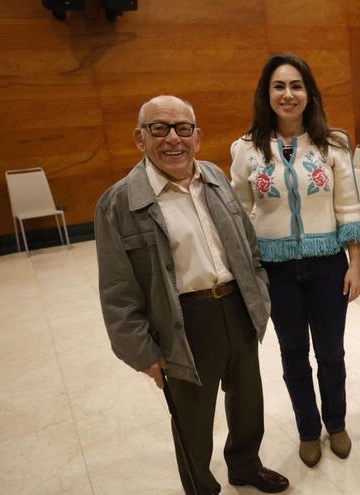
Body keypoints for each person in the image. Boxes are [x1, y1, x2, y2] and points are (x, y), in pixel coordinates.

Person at [95, 95, 289, 493]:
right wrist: (142, 353)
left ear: (197, 137)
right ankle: (201, 486)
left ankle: (245, 465)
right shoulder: (119, 203)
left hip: (236, 307)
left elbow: (248, 248)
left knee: (248, 401)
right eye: (159, 128)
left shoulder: (215, 178)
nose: (173, 139)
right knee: (192, 419)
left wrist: (260, 294)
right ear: (140, 137)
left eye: (183, 128)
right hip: (183, 320)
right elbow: (117, 290)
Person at [230, 54, 360, 468]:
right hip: (276, 271)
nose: (288, 94)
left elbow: (348, 205)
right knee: (293, 353)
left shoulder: (333, 144)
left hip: (328, 265)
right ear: (267, 93)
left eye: (296, 86)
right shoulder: (245, 149)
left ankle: (337, 422)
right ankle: (308, 430)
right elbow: (238, 212)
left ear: (309, 94)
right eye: (279, 86)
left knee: (331, 352)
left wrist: (355, 263)